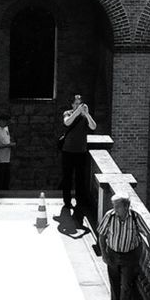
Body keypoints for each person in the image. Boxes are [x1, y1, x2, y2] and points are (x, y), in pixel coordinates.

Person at [97, 195, 150, 300]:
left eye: (117, 206)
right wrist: (104, 254)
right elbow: (101, 235)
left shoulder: (135, 217)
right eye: (114, 206)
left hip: (129, 256)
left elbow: (148, 233)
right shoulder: (109, 216)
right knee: (114, 282)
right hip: (112, 253)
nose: (115, 209)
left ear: (126, 206)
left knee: (126, 285)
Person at [59, 93, 96, 224]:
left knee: (80, 178)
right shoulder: (68, 113)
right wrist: (76, 112)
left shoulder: (85, 116)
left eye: (79, 103)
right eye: (75, 103)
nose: (77, 105)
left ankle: (80, 202)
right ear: (72, 104)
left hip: (81, 151)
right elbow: (67, 123)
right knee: (67, 177)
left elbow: (93, 127)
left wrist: (86, 114)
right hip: (67, 151)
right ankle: (67, 201)